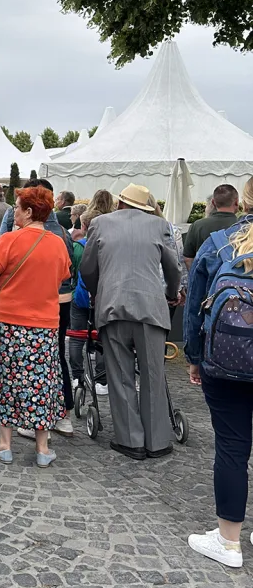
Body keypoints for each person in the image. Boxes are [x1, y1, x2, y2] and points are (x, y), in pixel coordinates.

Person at [80, 183, 181, 459]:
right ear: (146, 207)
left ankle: (130, 440)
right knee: (153, 375)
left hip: (112, 306)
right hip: (151, 308)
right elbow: (173, 269)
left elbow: (87, 268)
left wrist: (98, 291)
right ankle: (157, 442)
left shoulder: (100, 224)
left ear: (120, 203)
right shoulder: (160, 226)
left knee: (120, 374)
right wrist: (171, 294)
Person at [184, 177, 253, 566]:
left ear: (244, 203)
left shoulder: (219, 242)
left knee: (231, 445)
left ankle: (228, 542)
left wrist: (194, 356)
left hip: (227, 359)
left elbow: (195, 303)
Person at [0, 186, 72, 468]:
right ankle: (43, 448)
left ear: (29, 211)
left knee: (5, 380)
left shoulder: (9, 240)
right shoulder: (58, 243)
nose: (14, 212)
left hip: (8, 321)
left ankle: (5, 445)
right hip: (44, 323)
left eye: (18, 207)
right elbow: (60, 278)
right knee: (43, 382)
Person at [2, 179, 76, 437]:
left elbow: (2, 264)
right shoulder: (63, 233)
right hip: (61, 302)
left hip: (29, 303)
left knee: (26, 361)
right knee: (55, 357)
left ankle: (30, 417)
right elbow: (68, 271)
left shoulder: (19, 232)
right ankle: (63, 414)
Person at [68, 210, 107, 394]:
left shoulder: (78, 247)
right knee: (102, 338)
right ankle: (101, 380)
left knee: (76, 337)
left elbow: (72, 272)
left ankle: (77, 377)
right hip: (102, 297)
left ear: (84, 226)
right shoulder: (107, 246)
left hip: (80, 296)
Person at [183, 183, 239, 269]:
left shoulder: (197, 225)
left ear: (213, 202)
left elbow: (188, 259)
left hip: (205, 275)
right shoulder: (245, 226)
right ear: (236, 202)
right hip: (235, 276)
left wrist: (196, 275)